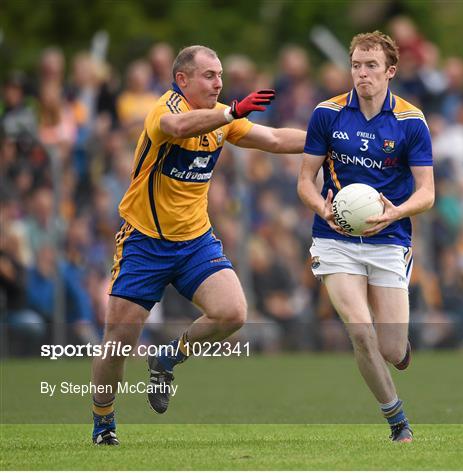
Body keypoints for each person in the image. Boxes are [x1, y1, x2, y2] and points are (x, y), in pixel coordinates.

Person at [91, 45, 306, 445]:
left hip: (194, 243)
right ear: (183, 79)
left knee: (233, 312)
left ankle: (167, 357)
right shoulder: (165, 109)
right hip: (144, 243)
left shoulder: (224, 115)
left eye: (221, 75)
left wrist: (327, 144)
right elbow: (176, 128)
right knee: (117, 342)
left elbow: (274, 138)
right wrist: (230, 112)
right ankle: (103, 422)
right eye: (209, 75)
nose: (219, 82)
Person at [297, 31, 434, 443]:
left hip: (389, 238)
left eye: (371, 66)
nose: (362, 73)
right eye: (356, 65)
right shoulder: (328, 113)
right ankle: (398, 422)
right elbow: (305, 180)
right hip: (334, 239)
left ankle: (400, 351)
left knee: (390, 350)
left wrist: (397, 211)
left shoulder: (411, 121)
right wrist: (324, 209)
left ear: (390, 71)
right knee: (360, 330)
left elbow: (427, 192)